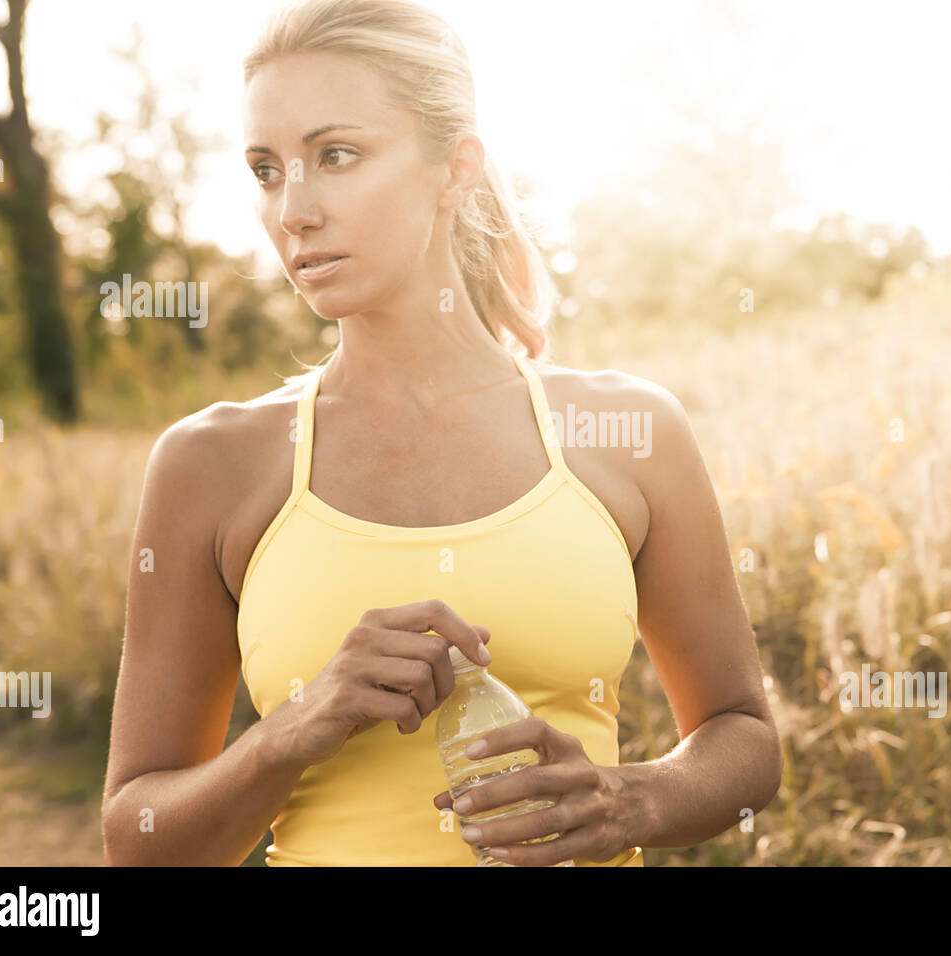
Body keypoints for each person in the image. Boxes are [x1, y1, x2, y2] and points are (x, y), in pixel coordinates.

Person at [101, 0, 781, 866]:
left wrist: (635, 801)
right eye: (267, 170)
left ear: (456, 168)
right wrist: (294, 731)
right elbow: (138, 837)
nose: (293, 212)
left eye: (335, 156)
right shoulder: (212, 464)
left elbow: (744, 738)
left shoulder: (630, 433)